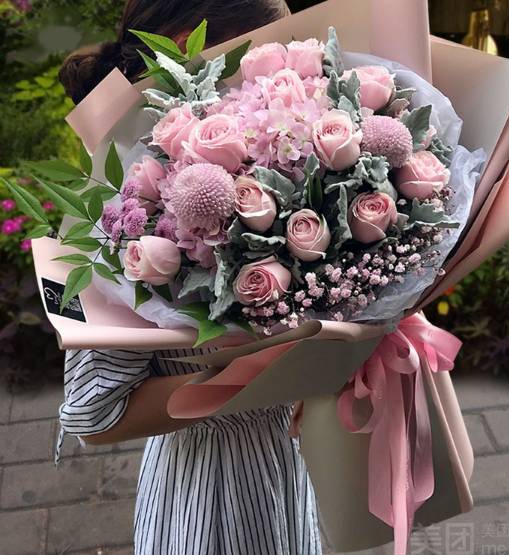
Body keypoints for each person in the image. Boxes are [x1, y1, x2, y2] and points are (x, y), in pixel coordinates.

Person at [57, 2, 322, 554]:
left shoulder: (276, 164)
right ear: (188, 46)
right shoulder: (122, 207)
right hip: (208, 501)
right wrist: (258, 379)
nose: (282, 63)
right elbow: (93, 412)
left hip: (287, 476)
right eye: (272, 41)